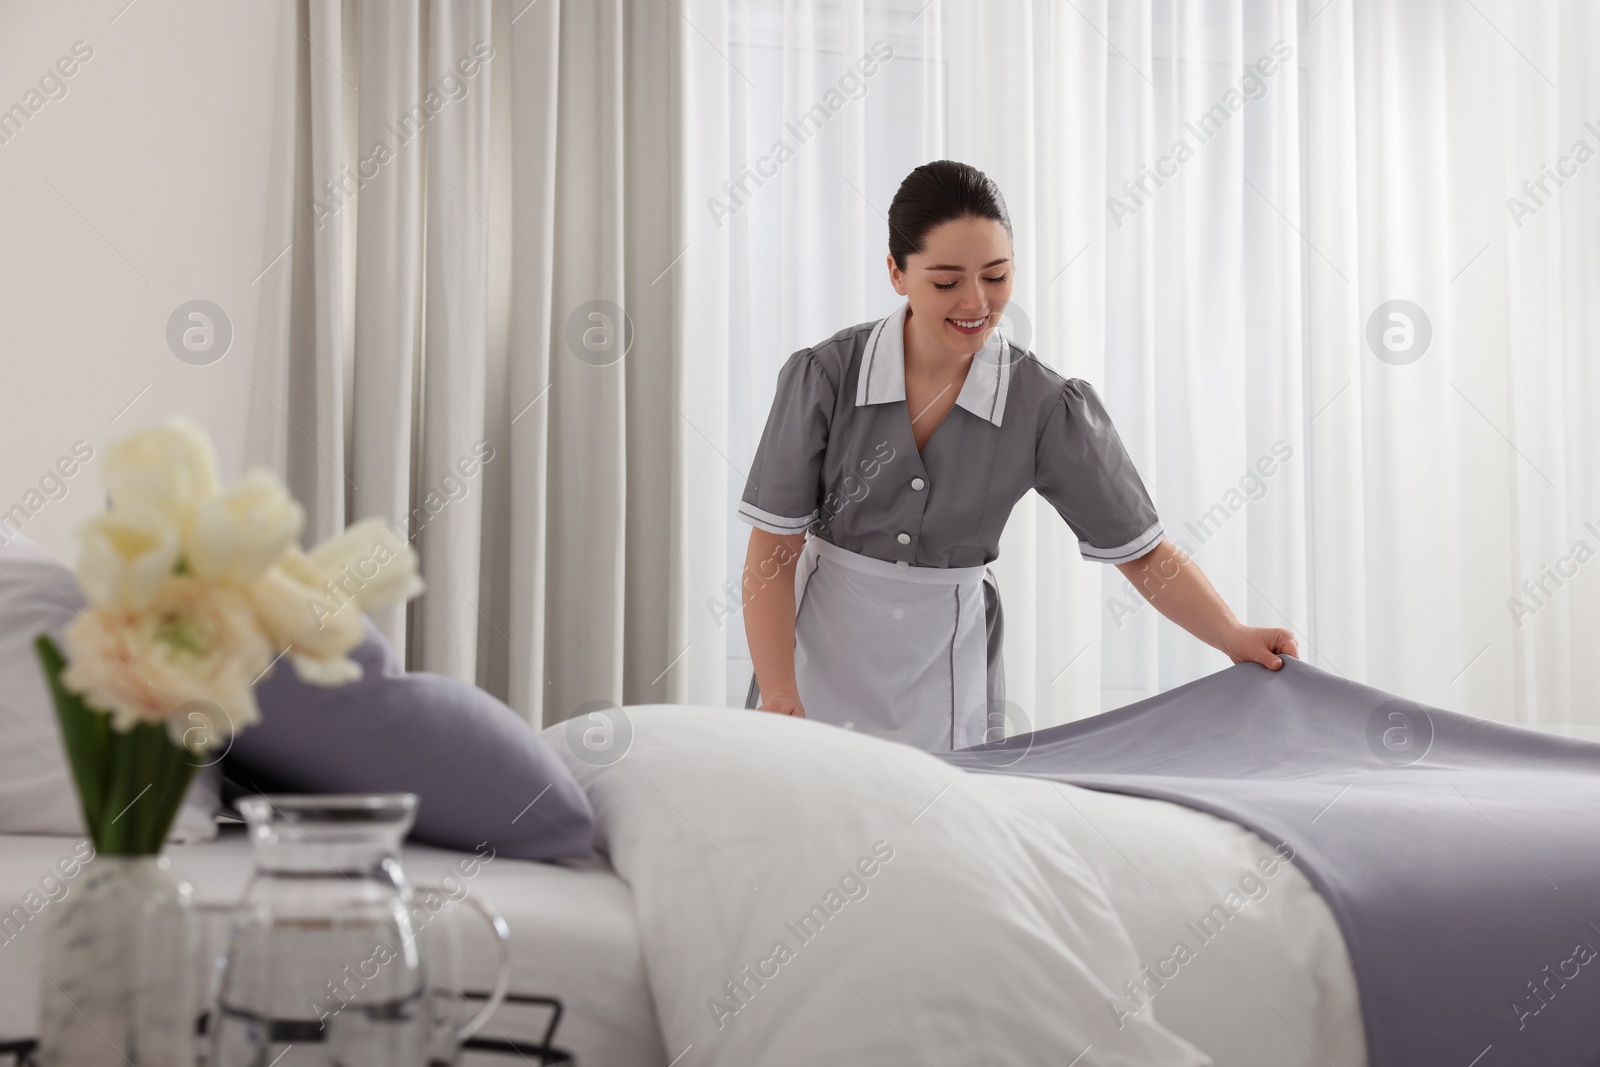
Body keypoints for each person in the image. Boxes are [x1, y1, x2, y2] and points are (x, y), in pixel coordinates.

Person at [738, 159, 1296, 751]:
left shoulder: (1046, 406)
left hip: (948, 657)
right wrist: (778, 689)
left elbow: (1143, 553)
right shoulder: (825, 376)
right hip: (816, 648)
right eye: (946, 282)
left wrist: (1233, 635)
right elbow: (773, 549)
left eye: (997, 276)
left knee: (943, 828)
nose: (976, 302)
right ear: (898, 274)